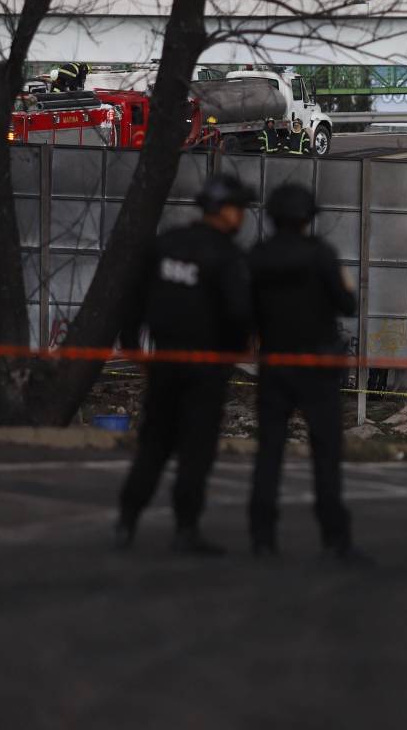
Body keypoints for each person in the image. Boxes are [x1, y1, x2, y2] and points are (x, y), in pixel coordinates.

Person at [115, 173, 255, 555]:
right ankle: (186, 528)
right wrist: (232, 354)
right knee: (196, 449)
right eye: (238, 208)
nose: (241, 216)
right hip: (206, 368)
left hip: (163, 360)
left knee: (154, 444)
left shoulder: (165, 245)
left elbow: (134, 300)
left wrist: (134, 348)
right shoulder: (227, 257)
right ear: (223, 211)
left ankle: (127, 520)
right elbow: (240, 314)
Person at [248, 183, 358, 558]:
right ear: (308, 218)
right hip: (317, 366)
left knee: (269, 453)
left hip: (275, 364)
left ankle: (262, 538)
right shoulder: (321, 255)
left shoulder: (258, 256)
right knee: (326, 454)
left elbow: (244, 310)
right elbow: (347, 305)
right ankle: (334, 538)